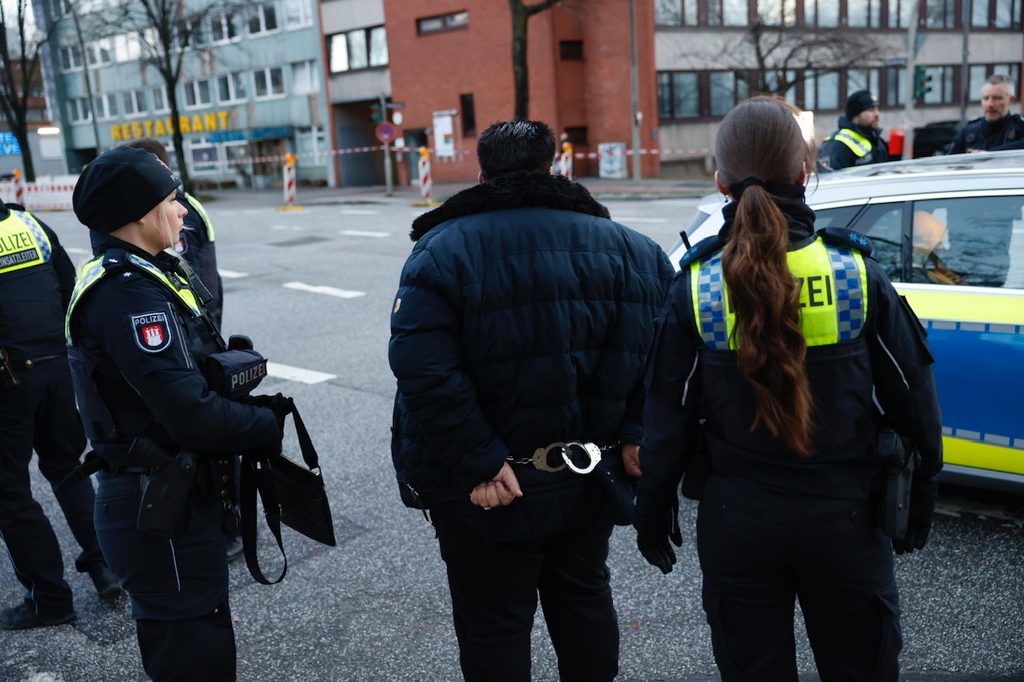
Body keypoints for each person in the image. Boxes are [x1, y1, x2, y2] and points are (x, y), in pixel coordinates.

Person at [634, 97, 942, 681]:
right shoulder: (855, 276)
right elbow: (914, 398)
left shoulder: (696, 288)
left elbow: (666, 418)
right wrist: (922, 488)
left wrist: (654, 507)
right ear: (805, 174)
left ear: (719, 180)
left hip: (737, 522)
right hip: (847, 520)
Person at [389, 119, 673, 681]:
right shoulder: (635, 252)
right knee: (584, 597)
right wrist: (638, 434)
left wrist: (479, 460)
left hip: (490, 486)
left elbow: (424, 371)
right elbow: (663, 357)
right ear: (555, 168)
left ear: (480, 176)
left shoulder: (441, 253)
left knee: (493, 623)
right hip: (586, 470)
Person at [67, 146, 283, 680]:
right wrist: (265, 425)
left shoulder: (146, 273)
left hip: (171, 494)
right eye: (172, 200)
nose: (184, 210)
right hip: (157, 504)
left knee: (202, 637)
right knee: (192, 654)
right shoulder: (128, 294)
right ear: (139, 213)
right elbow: (190, 416)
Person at [0, 199, 121, 630]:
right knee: (68, 469)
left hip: (9, 378)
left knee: (9, 493)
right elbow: (70, 286)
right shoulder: (27, 223)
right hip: (57, 366)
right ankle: (106, 566)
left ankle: (49, 599)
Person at [125, 138, 224, 327]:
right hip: (203, 309)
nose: (181, 211)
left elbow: (184, 267)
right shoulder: (186, 203)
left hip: (197, 315)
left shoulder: (170, 210)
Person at [946, 74, 1024, 154]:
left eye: (997, 98)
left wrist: (988, 155)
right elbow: (950, 162)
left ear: (1011, 100)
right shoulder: (967, 133)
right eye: (986, 98)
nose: (990, 104)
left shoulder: (1021, 128)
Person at [818, 89, 890, 171]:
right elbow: (829, 179)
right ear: (855, 116)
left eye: (877, 109)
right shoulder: (836, 145)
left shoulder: (876, 140)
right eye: (870, 110)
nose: (877, 114)